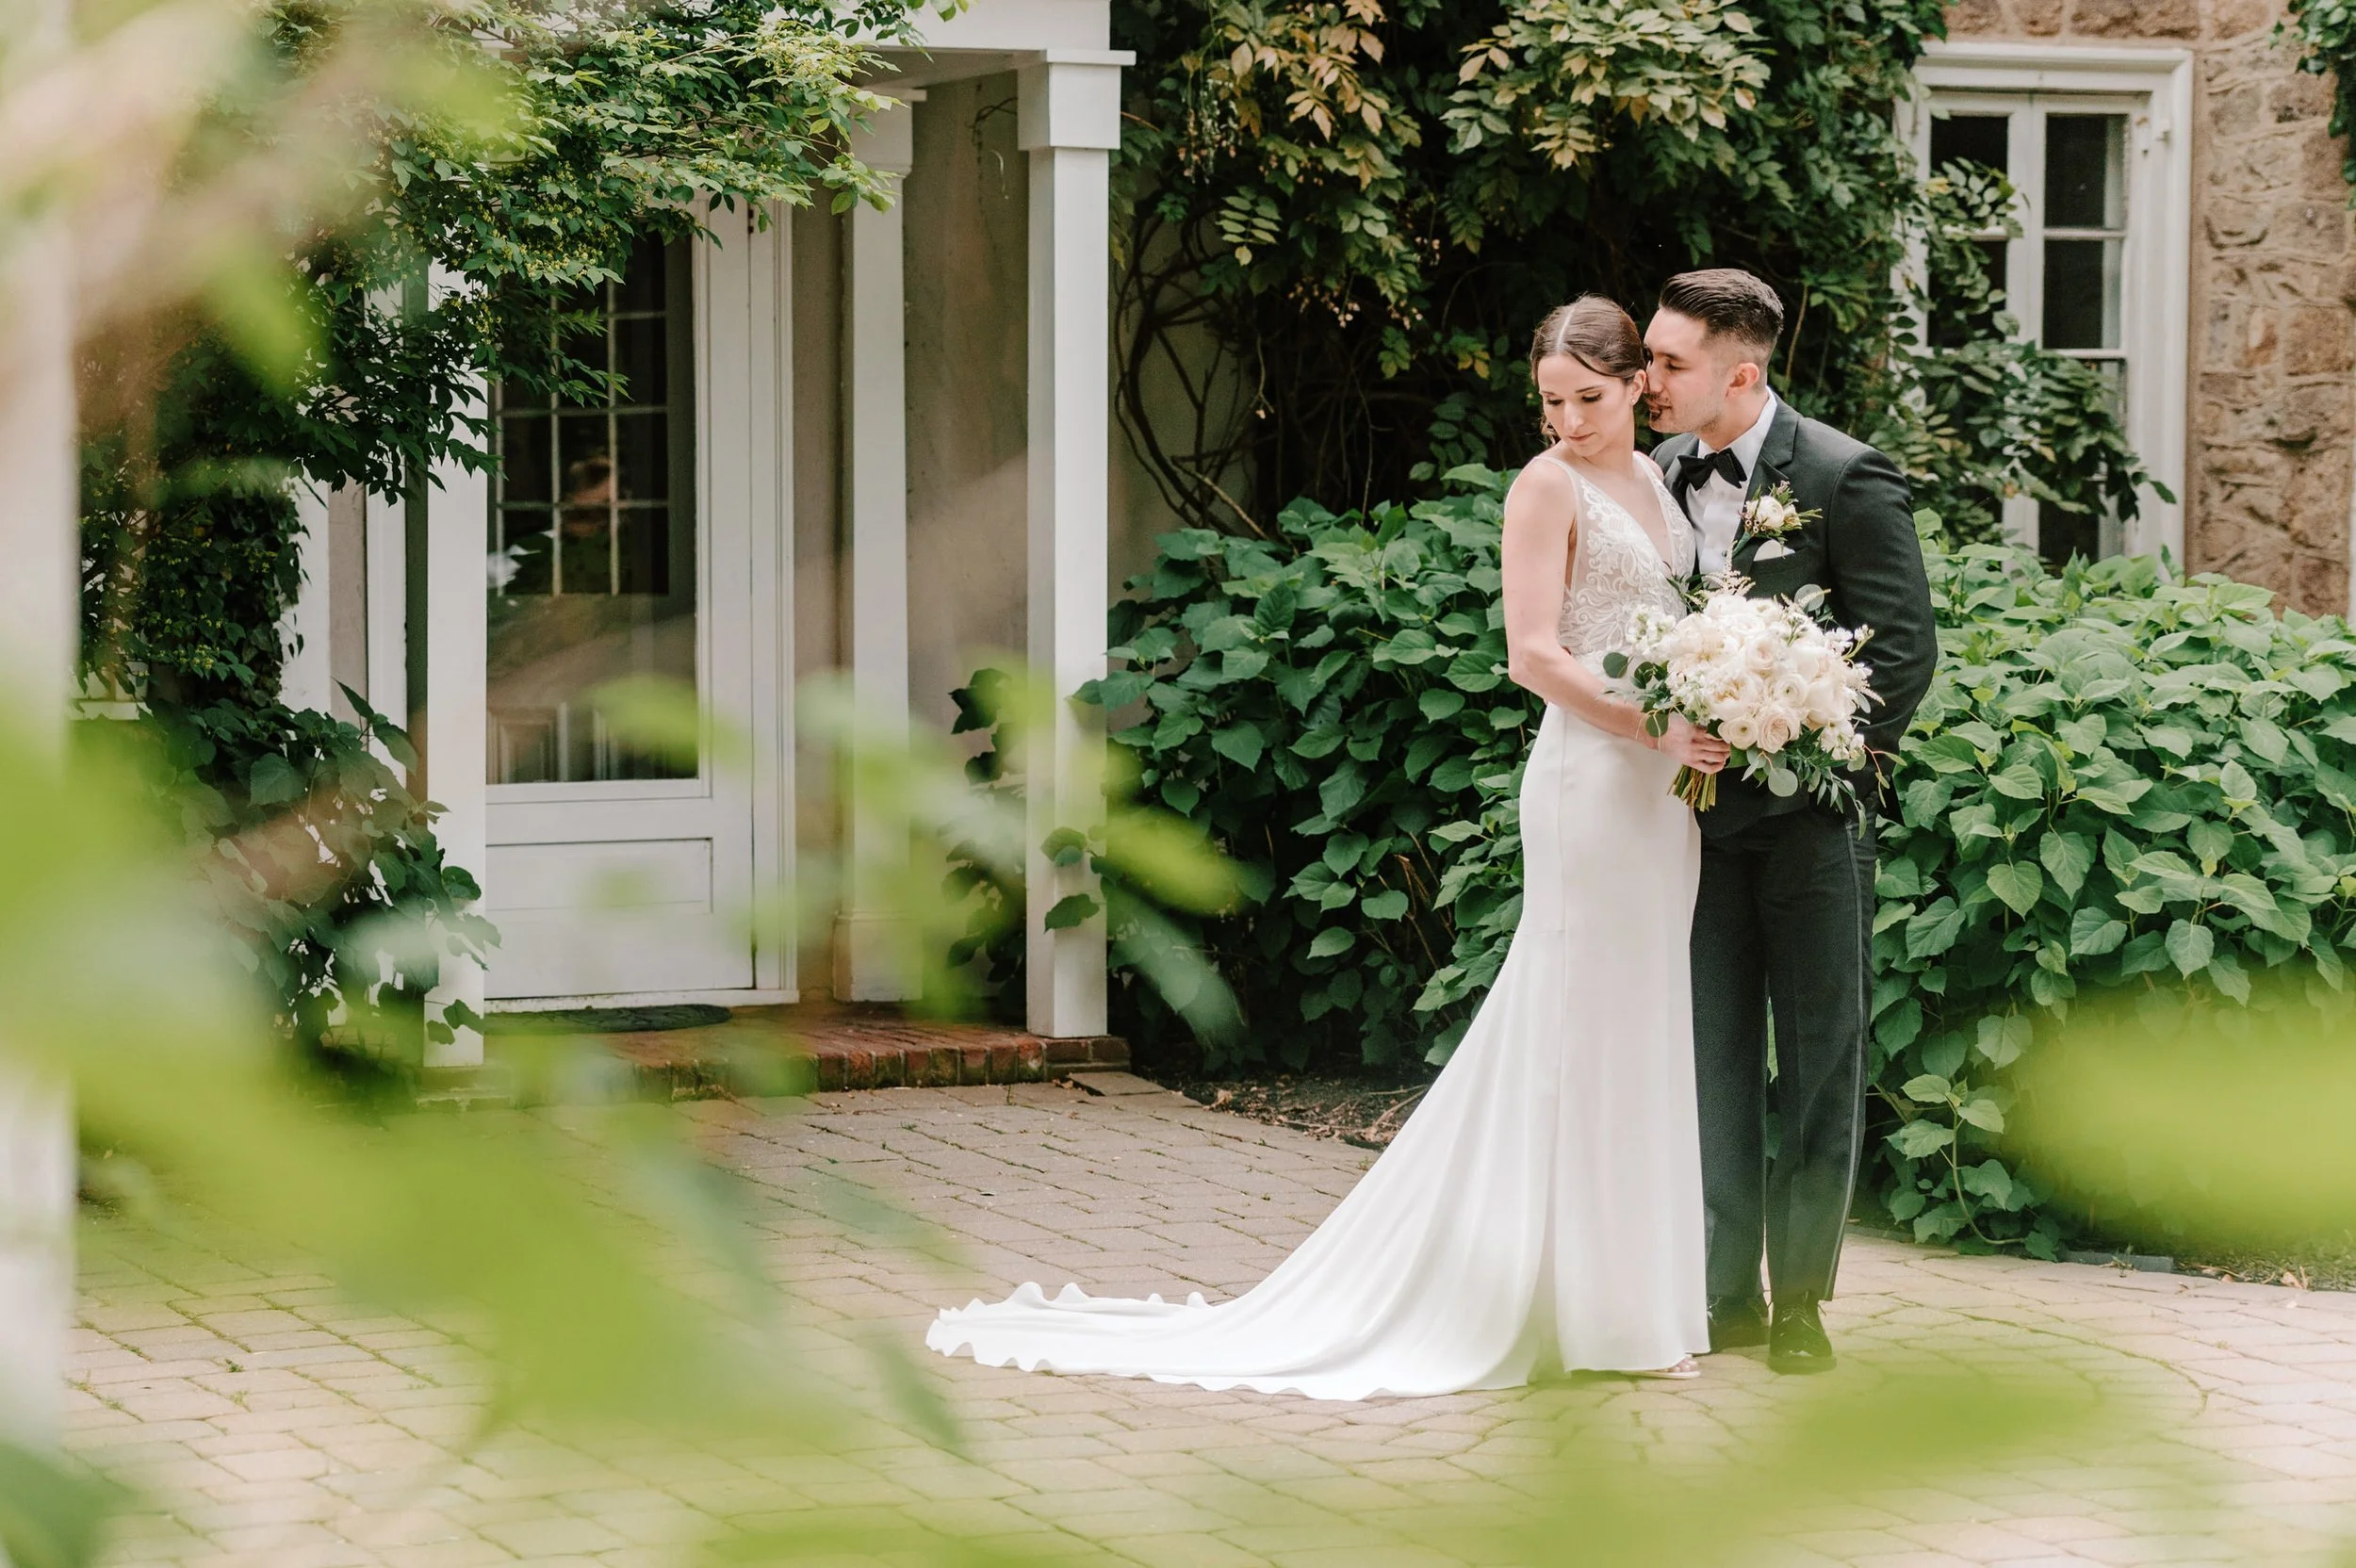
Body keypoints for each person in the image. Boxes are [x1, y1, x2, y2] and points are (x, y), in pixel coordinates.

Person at [924, 297, 1728, 1398]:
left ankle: (1631, 1302)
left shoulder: (1664, 482)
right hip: (1592, 779)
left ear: (1638, 383)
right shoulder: (1545, 487)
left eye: (1586, 398)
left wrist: (1715, 700)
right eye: (1548, 400)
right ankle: (1575, 1310)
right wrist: (1650, 723)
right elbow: (1533, 654)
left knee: (1641, 1025)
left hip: (1660, 794)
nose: (1566, 421)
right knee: (1576, 1021)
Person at [1644, 269, 1937, 1375]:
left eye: (1670, 363)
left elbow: (1901, 646)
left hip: (1813, 831)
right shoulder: (1659, 473)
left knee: (1817, 1062)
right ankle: (1726, 1295)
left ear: (1742, 371)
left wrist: (1823, 755)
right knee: (1712, 1055)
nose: (1650, 381)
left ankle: (1802, 1300)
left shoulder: (1843, 475)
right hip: (1693, 826)